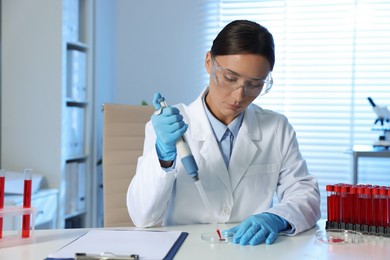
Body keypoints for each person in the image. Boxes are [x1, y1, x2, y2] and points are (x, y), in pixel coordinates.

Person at [127, 20, 321, 246]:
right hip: (187, 250)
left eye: (255, 84)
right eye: (230, 78)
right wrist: (164, 155)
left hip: (250, 249)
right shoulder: (170, 127)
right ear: (209, 62)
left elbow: (305, 195)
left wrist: (276, 217)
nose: (239, 96)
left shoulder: (277, 128)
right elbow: (142, 217)